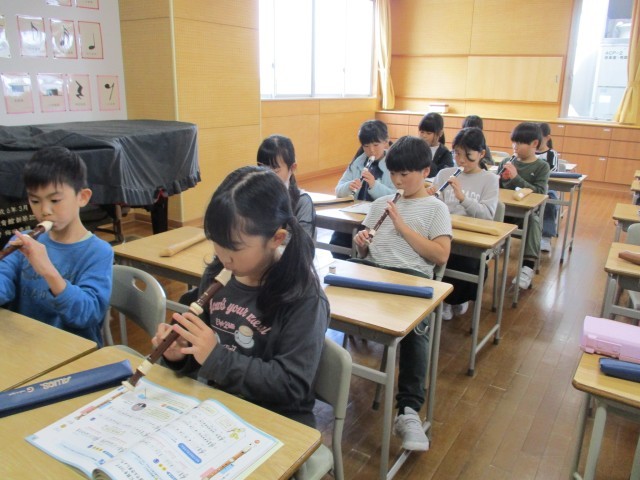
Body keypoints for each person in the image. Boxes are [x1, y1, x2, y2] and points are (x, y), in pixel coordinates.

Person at [155, 166, 330, 428]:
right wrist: (180, 352)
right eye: (216, 242)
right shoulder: (218, 273)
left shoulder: (304, 298)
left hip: (278, 421)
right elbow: (202, 356)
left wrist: (217, 358)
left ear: (277, 238)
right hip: (219, 408)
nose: (223, 257)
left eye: (234, 247)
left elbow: (292, 386)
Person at [353, 136, 451, 451]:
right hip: (372, 273)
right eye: (393, 173)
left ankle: (408, 411)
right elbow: (365, 250)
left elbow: (440, 255)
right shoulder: (381, 203)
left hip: (411, 280)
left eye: (404, 174)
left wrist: (402, 226)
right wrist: (362, 243)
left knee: (415, 333)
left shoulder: (436, 208)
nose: (397, 180)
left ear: (425, 172)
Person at [0, 146, 113, 345]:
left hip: (73, 352)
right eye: (35, 201)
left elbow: (87, 315)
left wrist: (48, 270)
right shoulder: (23, 240)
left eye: (55, 200)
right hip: (25, 344)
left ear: (82, 197)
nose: (45, 210)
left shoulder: (99, 252)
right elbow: (3, 290)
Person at [427, 127, 499, 320]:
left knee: (464, 263)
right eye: (457, 154)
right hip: (444, 232)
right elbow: (435, 208)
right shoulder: (445, 173)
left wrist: (463, 198)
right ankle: (441, 298)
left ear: (481, 154)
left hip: (471, 237)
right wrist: (431, 197)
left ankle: (456, 299)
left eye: (468, 156)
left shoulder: (490, 180)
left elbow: (487, 216)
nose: (461, 161)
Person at [498, 122, 550, 290]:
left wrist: (516, 178)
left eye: (520, 143)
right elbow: (496, 189)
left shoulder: (542, 166)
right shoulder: (506, 161)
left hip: (525, 216)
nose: (515, 146)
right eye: (514, 142)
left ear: (534, 143)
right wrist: (499, 179)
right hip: (504, 212)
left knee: (534, 222)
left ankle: (527, 268)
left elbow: (539, 193)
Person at [332, 119, 396, 256]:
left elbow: (396, 197)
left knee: (366, 246)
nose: (371, 150)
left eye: (376, 145)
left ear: (386, 142)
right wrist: (349, 187)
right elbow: (338, 190)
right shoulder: (358, 163)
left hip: (379, 220)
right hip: (355, 215)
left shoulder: (394, 165)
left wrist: (374, 185)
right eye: (366, 146)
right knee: (337, 242)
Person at [257, 134, 315, 238]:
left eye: (274, 168)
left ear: (292, 168)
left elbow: (304, 244)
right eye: (261, 167)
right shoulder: (255, 198)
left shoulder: (302, 201)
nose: (266, 174)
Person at [536, 122, 560, 253]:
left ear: (547, 138)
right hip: (528, 188)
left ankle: (545, 238)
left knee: (550, 201)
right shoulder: (528, 152)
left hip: (546, 188)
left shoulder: (551, 154)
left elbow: (552, 172)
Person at [418, 112, 453, 178]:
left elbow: (443, 175)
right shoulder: (414, 148)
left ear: (440, 133)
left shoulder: (445, 154)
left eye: (428, 133)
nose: (424, 136)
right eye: (422, 132)